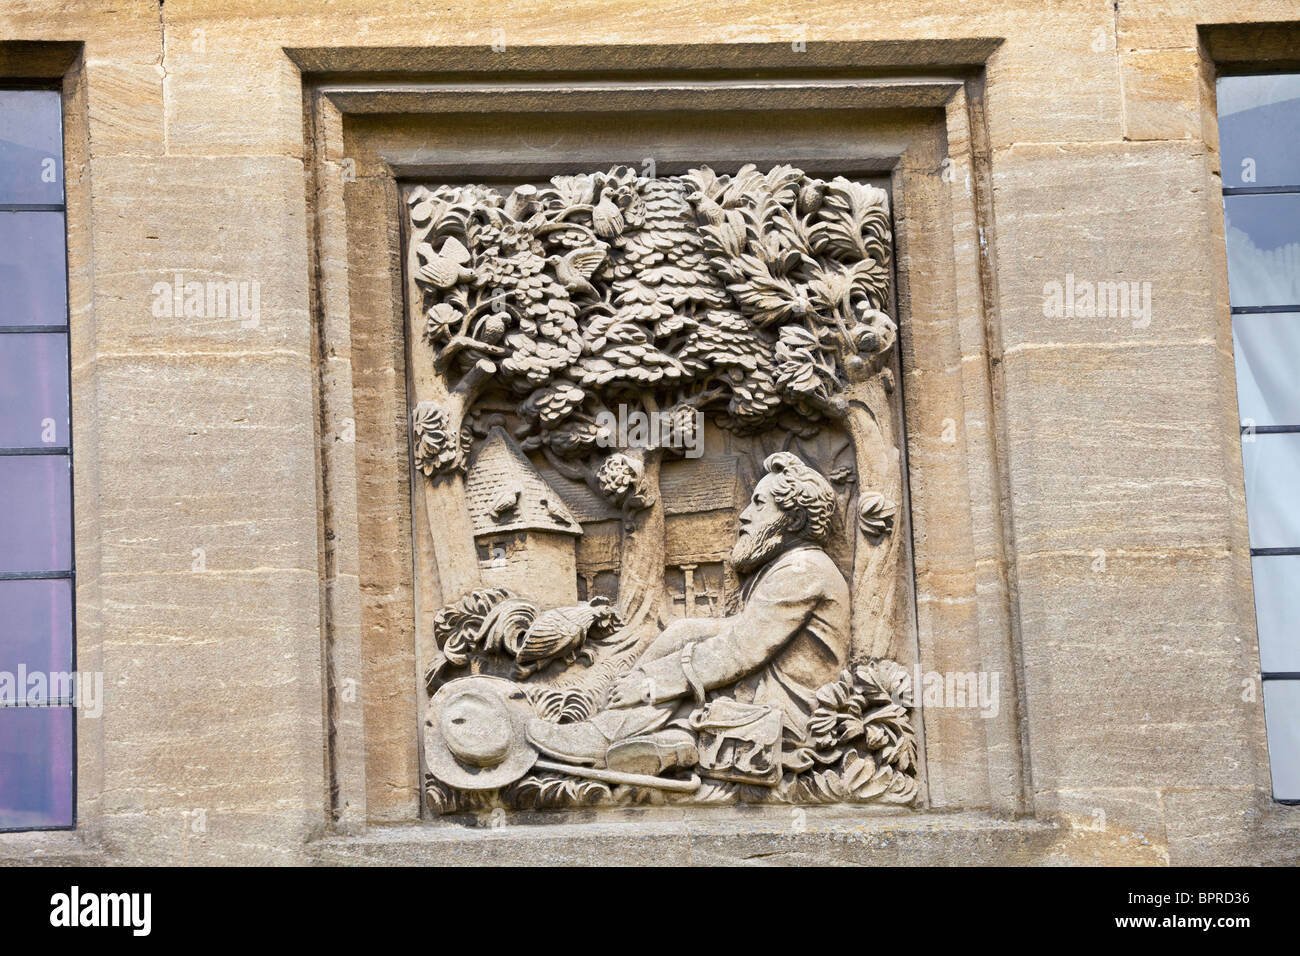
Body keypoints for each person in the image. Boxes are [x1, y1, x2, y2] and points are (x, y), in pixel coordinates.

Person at [527, 451, 850, 774]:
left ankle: (603, 738)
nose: (745, 515)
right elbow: (736, 631)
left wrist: (651, 681)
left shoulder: (803, 570)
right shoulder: (786, 567)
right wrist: (677, 639)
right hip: (755, 698)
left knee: (681, 676)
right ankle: (656, 740)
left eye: (759, 504)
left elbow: (739, 650)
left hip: (785, 716)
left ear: (793, 520)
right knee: (685, 638)